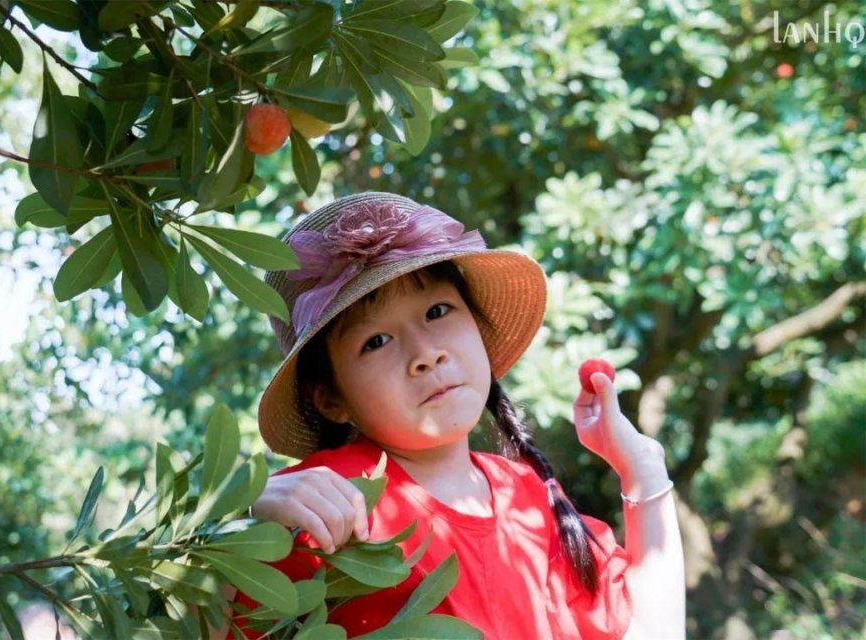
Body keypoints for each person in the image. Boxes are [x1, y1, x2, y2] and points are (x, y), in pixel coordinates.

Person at [224, 192, 684, 639]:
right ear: (330, 398)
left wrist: (642, 470)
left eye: (437, 311)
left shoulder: (525, 493)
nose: (426, 354)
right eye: (376, 341)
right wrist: (240, 524)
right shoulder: (328, 498)